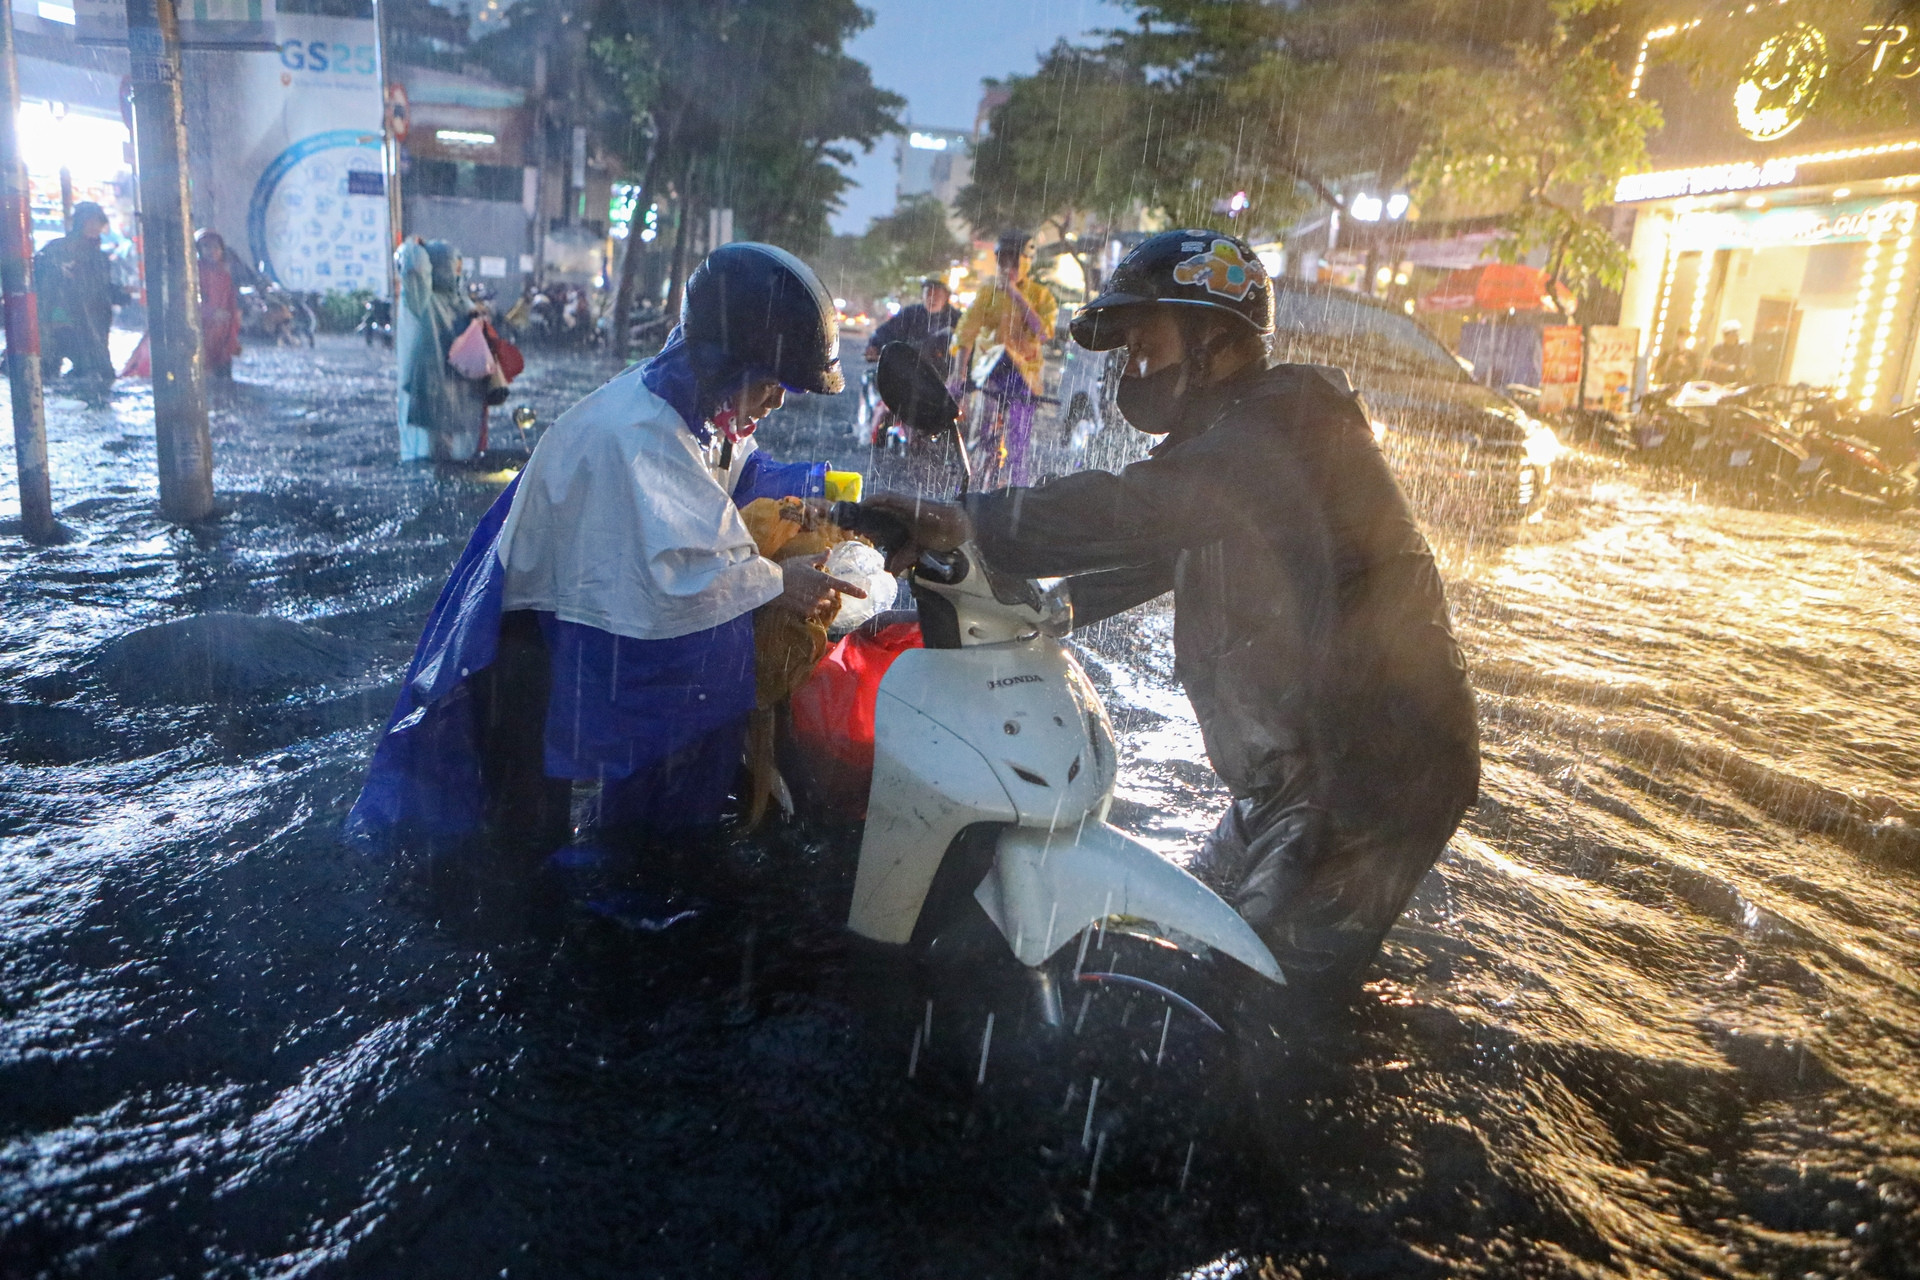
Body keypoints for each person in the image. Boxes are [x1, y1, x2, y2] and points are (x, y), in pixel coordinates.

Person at [870, 228, 1481, 997]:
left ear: (1213, 337)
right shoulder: (1226, 440)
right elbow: (1162, 549)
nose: (1133, 364)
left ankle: (1279, 1099)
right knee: (1185, 926)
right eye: (1123, 348)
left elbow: (1140, 512)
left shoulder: (1287, 421)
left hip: (1369, 766)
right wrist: (1050, 607)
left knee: (1255, 989)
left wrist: (966, 519)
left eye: (1144, 339)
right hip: (1293, 771)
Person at [345, 242, 861, 860]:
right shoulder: (637, 433)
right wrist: (778, 580)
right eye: (772, 383)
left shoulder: (698, 411)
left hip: (580, 628)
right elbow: (676, 577)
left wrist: (835, 503)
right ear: (728, 365)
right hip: (532, 639)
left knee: (576, 820)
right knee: (519, 840)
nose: (778, 402)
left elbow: (737, 478)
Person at [952, 230, 1057, 487]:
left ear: (1025, 262)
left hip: (1024, 378)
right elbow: (966, 332)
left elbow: (1043, 333)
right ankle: (973, 484)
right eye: (1003, 261)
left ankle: (1016, 490)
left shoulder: (1041, 295)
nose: (1007, 268)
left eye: (1013, 261)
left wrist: (1015, 295)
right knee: (982, 432)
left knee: (1018, 441)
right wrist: (958, 373)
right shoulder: (987, 292)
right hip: (989, 373)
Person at [394, 237, 486, 462]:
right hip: (433, 382)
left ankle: (448, 475)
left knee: (455, 443)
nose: (457, 272)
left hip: (459, 383)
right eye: (454, 265)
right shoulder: (423, 298)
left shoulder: (462, 301)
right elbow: (414, 269)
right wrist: (415, 247)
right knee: (439, 442)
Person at [36, 201, 129, 397]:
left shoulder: (100, 257)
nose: (95, 227)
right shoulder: (57, 249)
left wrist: (120, 294)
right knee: (48, 369)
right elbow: (39, 275)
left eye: (98, 223)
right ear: (80, 223)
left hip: (93, 324)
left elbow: (102, 288)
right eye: (90, 222)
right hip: (61, 320)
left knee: (100, 373)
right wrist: (59, 273)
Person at [865, 277, 962, 375]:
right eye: (928, 294)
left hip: (942, 376)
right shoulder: (911, 314)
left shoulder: (957, 319)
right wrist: (874, 345)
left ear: (946, 297)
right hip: (908, 372)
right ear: (922, 296)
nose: (932, 299)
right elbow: (887, 331)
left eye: (937, 295)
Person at [195, 230, 243, 381]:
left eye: (216, 247)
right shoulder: (194, 273)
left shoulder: (225, 275)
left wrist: (233, 338)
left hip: (222, 335)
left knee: (224, 378)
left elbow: (231, 305)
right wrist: (210, 313)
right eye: (206, 247)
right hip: (203, 334)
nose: (212, 251)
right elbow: (189, 302)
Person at [1704, 319, 1748, 384]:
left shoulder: (1743, 349)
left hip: (1733, 384)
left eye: (1735, 334)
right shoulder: (1717, 348)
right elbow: (1709, 365)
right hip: (1716, 383)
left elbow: (1742, 369)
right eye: (1728, 335)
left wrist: (1722, 366)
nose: (1733, 337)